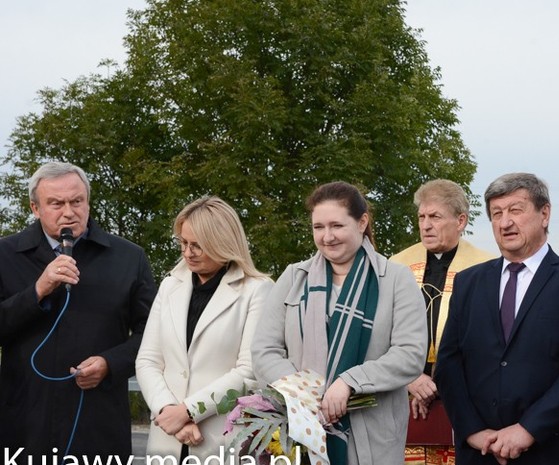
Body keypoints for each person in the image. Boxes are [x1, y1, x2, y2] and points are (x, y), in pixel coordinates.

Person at [434, 173, 559, 465]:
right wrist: (472, 431)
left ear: (544, 213)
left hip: (552, 450)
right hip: (481, 451)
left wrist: (528, 429)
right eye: (496, 214)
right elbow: (449, 363)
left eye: (515, 210)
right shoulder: (468, 283)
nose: (505, 223)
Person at [251, 181, 427, 465]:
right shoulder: (294, 277)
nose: (327, 237)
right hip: (303, 429)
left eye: (337, 226)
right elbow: (264, 350)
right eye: (318, 227)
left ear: (362, 222)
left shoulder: (396, 279)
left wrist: (349, 382)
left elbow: (410, 354)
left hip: (371, 439)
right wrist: (301, 392)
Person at [0, 162, 157, 460]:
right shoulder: (5, 255)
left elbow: (154, 335)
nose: (69, 212)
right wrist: (37, 291)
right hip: (24, 422)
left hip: (98, 421)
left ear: (88, 203)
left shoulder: (129, 258)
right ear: (35, 208)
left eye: (76, 201)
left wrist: (110, 363)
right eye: (56, 203)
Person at [136, 196, 274, 458]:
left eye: (198, 246)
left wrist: (189, 411)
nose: (188, 253)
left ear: (223, 242)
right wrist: (167, 410)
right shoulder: (169, 285)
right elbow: (148, 360)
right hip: (167, 438)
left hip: (221, 437)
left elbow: (250, 371)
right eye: (183, 243)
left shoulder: (257, 290)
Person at [390, 179, 494, 464]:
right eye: (421, 217)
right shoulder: (396, 265)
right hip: (404, 393)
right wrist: (410, 378)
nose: (426, 225)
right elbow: (380, 333)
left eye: (435, 217)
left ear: (461, 221)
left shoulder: (487, 268)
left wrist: (442, 383)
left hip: (466, 397)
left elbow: (490, 341)